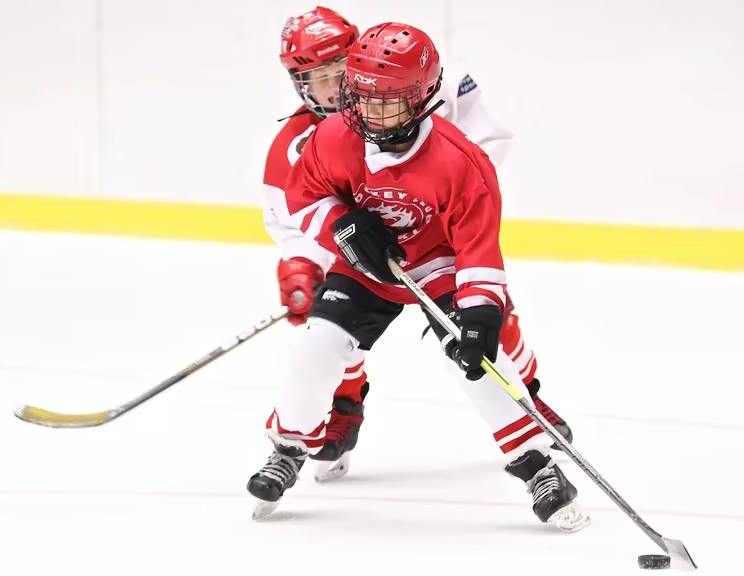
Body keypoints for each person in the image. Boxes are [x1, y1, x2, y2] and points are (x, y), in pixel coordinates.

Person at [248, 21, 590, 533]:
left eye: (388, 101)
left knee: (478, 360)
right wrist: (341, 226)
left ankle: (536, 463)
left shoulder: (464, 163)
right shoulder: (332, 136)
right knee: (315, 343)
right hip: (366, 270)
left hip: (438, 269)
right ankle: (289, 447)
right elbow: (304, 199)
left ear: (425, 97)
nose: (371, 113)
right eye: (360, 98)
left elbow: (478, 251)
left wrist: (478, 312)